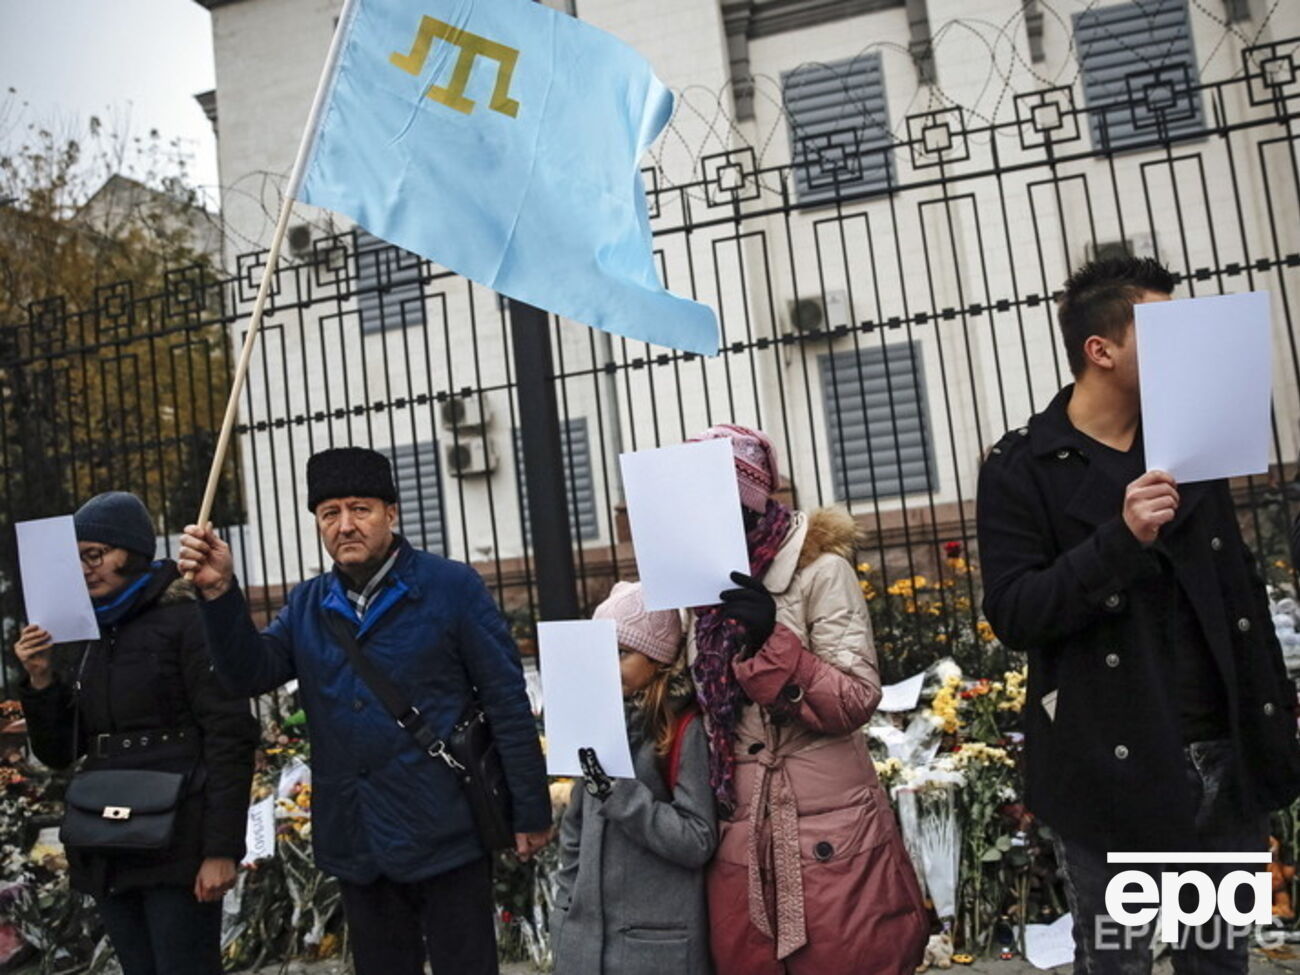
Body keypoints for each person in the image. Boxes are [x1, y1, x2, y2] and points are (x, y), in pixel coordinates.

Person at [977, 256, 1300, 973]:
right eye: (1164, 329)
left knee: (1218, 958)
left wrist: (1272, 713)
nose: (1189, 344)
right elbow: (1015, 613)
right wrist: (1117, 541)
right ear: (1102, 349)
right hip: (1111, 769)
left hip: (1222, 756)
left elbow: (1240, 591)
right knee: (1118, 962)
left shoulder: (1192, 441)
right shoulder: (1023, 467)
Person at [178, 446, 550, 975]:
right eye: (330, 513)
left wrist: (530, 810)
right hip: (358, 839)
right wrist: (219, 592)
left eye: (360, 509)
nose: (345, 525)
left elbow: (506, 700)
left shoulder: (451, 588)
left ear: (390, 513)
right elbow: (248, 674)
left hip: (446, 830)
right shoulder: (307, 603)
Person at [684, 424, 927, 975]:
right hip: (740, 828)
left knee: (846, 958)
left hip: (826, 825)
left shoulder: (821, 571)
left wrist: (771, 642)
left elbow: (856, 699)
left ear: (748, 503)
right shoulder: (693, 592)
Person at [15, 491, 257, 975]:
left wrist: (221, 850)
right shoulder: (86, 633)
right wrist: (41, 679)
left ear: (132, 551)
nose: (84, 570)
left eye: (95, 554)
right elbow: (60, 752)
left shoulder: (188, 618)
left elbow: (230, 736)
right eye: (75, 558)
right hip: (109, 844)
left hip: (177, 842)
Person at [552, 581, 717, 974]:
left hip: (655, 947)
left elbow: (698, 840)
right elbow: (575, 827)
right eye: (600, 653)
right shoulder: (595, 720)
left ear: (658, 659)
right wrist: (564, 909)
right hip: (586, 945)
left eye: (622, 653)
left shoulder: (682, 729)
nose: (608, 665)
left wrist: (621, 796)